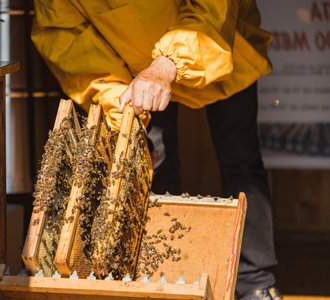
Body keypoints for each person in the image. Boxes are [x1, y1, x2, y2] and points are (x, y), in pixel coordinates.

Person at [31, 1, 281, 299]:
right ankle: (166, 282)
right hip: (137, 72)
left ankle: (255, 284)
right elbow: (75, 50)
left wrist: (166, 65)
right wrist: (123, 117)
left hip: (220, 45)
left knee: (241, 161)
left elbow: (213, 10)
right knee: (154, 170)